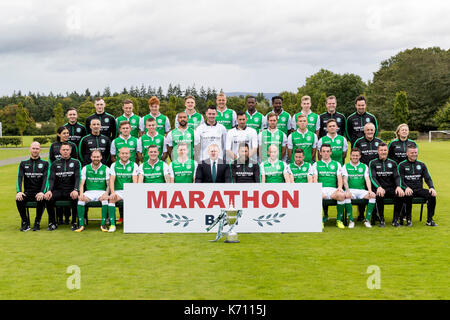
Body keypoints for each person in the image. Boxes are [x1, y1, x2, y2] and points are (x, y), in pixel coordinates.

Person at [44, 142, 81, 231]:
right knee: (48, 198)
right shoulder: (55, 164)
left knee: (76, 197)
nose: (65, 152)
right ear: (60, 151)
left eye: (67, 150)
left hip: (71, 190)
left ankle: (74, 222)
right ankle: (52, 222)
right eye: (63, 150)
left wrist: (76, 189)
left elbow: (77, 177)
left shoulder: (76, 162)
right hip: (59, 190)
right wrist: (49, 190)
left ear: (70, 151)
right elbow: (51, 179)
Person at [398, 144, 437, 227]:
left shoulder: (422, 165)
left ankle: (430, 220)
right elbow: (400, 180)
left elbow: (428, 178)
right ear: (407, 153)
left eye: (415, 152)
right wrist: (406, 188)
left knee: (432, 195)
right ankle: (408, 220)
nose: (414, 154)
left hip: (419, 189)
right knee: (408, 195)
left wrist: (431, 187)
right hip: (408, 189)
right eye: (412, 153)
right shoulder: (401, 165)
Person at [75, 150, 112, 233]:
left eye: (98, 157)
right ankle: (81, 225)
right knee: (80, 200)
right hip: (89, 192)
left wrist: (106, 193)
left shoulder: (106, 168)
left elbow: (109, 184)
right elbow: (81, 184)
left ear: (101, 157)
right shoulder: (85, 168)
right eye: (94, 157)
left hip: (101, 192)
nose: (96, 158)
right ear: (91, 157)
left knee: (105, 200)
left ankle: (103, 224)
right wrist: (81, 194)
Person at [369, 142, 405, 227]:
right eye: (381, 150)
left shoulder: (393, 163)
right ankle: (382, 220)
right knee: (379, 195)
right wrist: (378, 187)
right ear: (378, 151)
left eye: (385, 150)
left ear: (388, 151)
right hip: (379, 188)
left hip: (391, 188)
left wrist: (398, 187)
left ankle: (395, 220)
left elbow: (397, 176)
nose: (383, 152)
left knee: (400, 195)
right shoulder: (373, 163)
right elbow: (372, 177)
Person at [353, 122, 383, 222]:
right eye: (368, 130)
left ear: (374, 131)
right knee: (363, 192)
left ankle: (375, 214)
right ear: (364, 131)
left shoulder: (379, 142)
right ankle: (361, 214)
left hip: (376, 172)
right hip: (363, 172)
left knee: (374, 192)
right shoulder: (359, 142)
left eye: (371, 130)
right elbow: (355, 155)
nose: (370, 132)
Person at [311, 144, 346, 229]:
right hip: (321, 189)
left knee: (341, 195)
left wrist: (340, 187)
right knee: (318, 196)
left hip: (332, 190)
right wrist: (316, 189)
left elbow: (340, 178)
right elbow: (315, 179)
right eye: (323, 151)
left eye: (327, 151)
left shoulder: (336, 164)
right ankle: (320, 221)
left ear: (330, 152)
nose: (325, 153)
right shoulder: (316, 164)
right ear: (320, 153)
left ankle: (339, 220)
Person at [16, 142, 49, 231]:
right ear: (30, 149)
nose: (35, 150)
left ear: (40, 150)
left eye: (37, 149)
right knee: (19, 199)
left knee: (41, 198)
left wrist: (42, 192)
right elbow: (19, 178)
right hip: (28, 192)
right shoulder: (23, 163)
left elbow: (46, 180)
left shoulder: (45, 163)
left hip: (39, 192)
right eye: (33, 148)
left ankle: (37, 222)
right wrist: (19, 191)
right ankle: (25, 222)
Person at [342, 148, 377, 228]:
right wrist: (347, 191)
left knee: (373, 196)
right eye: (353, 155)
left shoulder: (364, 166)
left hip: (361, 191)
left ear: (360, 156)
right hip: (351, 190)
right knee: (346, 196)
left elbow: (367, 179)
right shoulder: (345, 166)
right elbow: (345, 180)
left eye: (357, 155)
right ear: (350, 156)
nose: (355, 157)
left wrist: (370, 191)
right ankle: (351, 220)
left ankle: (367, 220)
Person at [109, 147, 139, 224]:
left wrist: (134, 192)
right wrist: (112, 193)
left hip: (129, 190)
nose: (124, 155)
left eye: (126, 153)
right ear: (119, 154)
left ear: (129, 154)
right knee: (111, 199)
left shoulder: (134, 165)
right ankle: (112, 224)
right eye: (122, 153)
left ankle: (134, 222)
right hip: (118, 191)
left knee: (135, 200)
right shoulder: (114, 165)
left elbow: (135, 181)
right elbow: (112, 180)